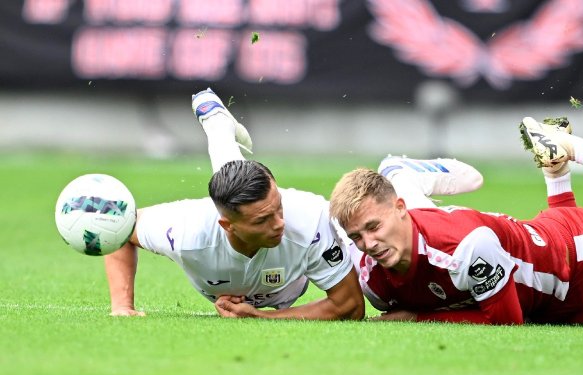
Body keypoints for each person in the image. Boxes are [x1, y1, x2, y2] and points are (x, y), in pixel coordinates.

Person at [104, 88, 482, 320]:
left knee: (399, 238)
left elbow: (350, 308)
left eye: (278, 206)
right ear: (228, 227)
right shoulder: (186, 230)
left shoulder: (306, 218)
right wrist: (122, 306)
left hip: (298, 269)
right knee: (228, 186)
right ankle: (218, 124)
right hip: (224, 223)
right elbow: (120, 229)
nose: (279, 223)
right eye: (266, 219)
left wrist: (264, 317)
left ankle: (401, 174)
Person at [328, 117, 583, 325]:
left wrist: (418, 317)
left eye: (373, 228)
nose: (368, 244)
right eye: (356, 236)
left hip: (579, 252)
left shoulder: (466, 246)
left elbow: (506, 321)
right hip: (541, 275)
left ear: (399, 210)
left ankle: (570, 147)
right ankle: (556, 174)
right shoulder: (371, 274)